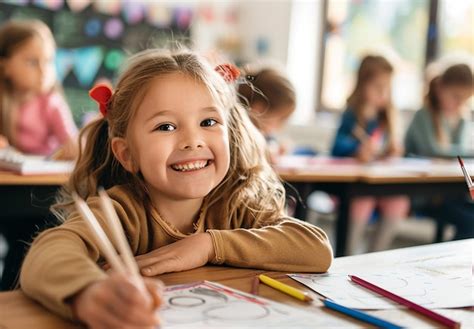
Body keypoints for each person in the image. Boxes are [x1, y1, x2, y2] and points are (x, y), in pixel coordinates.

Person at [20, 49, 333, 328]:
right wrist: (88, 293)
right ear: (127, 154)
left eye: (208, 122)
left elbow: (316, 247)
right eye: (166, 127)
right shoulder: (121, 210)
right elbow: (48, 251)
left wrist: (208, 245)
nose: (192, 140)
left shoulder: (237, 204)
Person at [331, 55, 409, 254]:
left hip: (379, 185)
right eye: (378, 86)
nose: (383, 93)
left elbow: (389, 150)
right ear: (362, 84)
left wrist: (393, 150)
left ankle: (376, 256)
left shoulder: (387, 117)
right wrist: (356, 150)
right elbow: (336, 147)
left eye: (387, 87)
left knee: (399, 202)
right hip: (353, 186)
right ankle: (346, 256)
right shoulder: (352, 114)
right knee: (361, 202)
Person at [405, 63, 474, 241]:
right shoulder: (424, 115)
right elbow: (434, 151)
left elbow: (458, 155)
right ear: (440, 88)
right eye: (455, 97)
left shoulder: (461, 119)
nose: (459, 103)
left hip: (451, 193)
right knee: (470, 222)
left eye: (465, 99)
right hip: (425, 195)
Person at [0, 19, 77, 159]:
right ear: (5, 67)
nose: (43, 71)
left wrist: (76, 147)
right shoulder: (3, 100)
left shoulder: (52, 103)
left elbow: (73, 144)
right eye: (32, 62)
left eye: (48, 61)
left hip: (44, 177)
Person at [237, 67, 296, 161]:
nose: (281, 127)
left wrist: (276, 147)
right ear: (258, 110)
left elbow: (270, 142)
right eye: (281, 119)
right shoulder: (238, 133)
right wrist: (266, 153)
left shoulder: (262, 133)